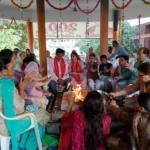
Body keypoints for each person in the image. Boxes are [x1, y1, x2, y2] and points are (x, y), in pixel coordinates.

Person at [0, 49, 50, 150]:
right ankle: (31, 146)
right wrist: (21, 89)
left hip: (4, 119)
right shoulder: (7, 84)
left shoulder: (4, 82)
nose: (15, 65)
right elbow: (20, 108)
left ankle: (24, 143)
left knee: (35, 110)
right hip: (9, 124)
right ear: (4, 70)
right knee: (44, 115)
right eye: (12, 65)